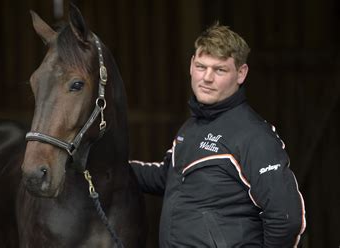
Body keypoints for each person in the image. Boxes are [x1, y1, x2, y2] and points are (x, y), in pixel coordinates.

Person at [129, 22, 306, 247]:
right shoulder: (191, 128)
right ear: (191, 65)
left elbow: (286, 218)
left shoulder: (254, 136)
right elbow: (166, 177)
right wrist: (102, 165)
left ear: (241, 73)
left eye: (220, 69)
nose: (207, 78)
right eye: (202, 67)